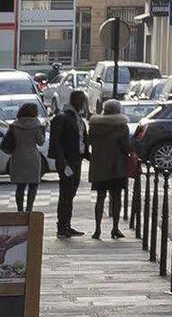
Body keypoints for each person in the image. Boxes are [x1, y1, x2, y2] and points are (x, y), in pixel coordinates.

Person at [86, 99, 131, 240]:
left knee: (100, 198)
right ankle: (115, 228)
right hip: (116, 167)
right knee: (116, 198)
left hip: (99, 166)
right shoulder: (121, 127)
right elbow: (126, 148)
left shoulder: (94, 126)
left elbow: (88, 142)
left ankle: (97, 229)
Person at [47, 88, 86, 239]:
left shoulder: (77, 118)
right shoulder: (63, 118)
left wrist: (87, 154)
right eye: (81, 100)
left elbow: (81, 138)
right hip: (67, 161)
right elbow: (56, 141)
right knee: (66, 194)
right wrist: (61, 159)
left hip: (76, 159)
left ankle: (66, 224)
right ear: (74, 100)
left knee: (70, 193)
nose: (83, 103)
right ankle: (62, 226)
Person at [2, 102, 47, 211]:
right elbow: (40, 142)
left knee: (20, 186)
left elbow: (8, 141)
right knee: (33, 185)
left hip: (17, 157)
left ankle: (20, 210)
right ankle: (29, 209)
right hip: (32, 157)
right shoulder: (37, 125)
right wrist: (43, 131)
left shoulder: (14, 125)